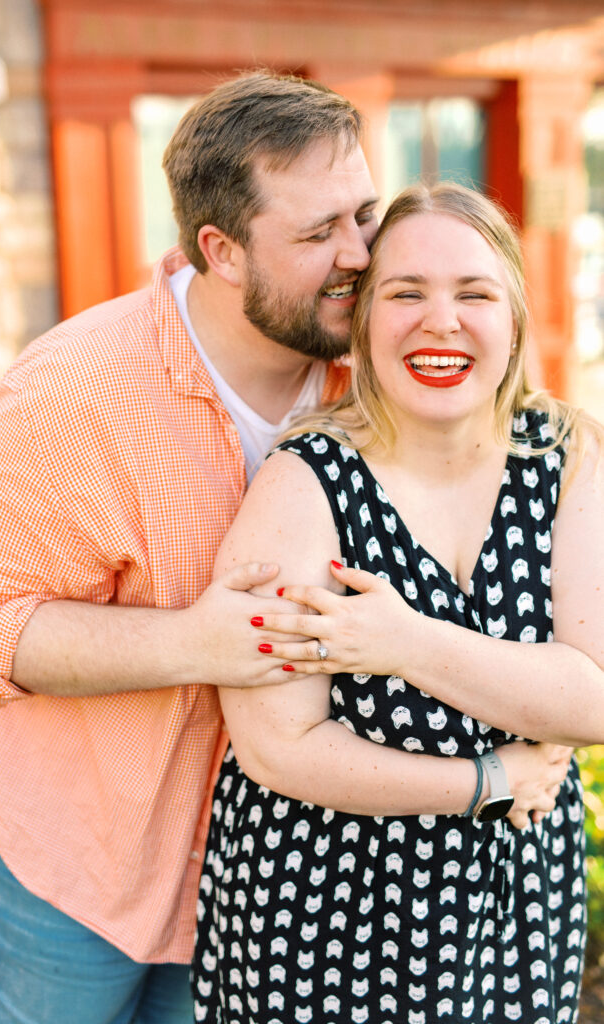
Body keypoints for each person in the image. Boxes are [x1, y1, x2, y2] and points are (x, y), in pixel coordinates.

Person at [0, 70, 381, 1024]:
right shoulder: (77, 388)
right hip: (63, 837)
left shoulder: (376, 380)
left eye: (364, 215)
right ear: (218, 248)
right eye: (315, 234)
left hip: (248, 857)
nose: (358, 255)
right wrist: (200, 643)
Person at [193, 182, 604, 1024]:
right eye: (405, 293)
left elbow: (593, 695)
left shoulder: (565, 457)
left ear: (514, 317)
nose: (439, 320)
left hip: (513, 900)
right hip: (324, 907)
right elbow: (278, 748)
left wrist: (405, 642)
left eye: (474, 293)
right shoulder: (303, 480)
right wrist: (482, 780)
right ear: (362, 319)